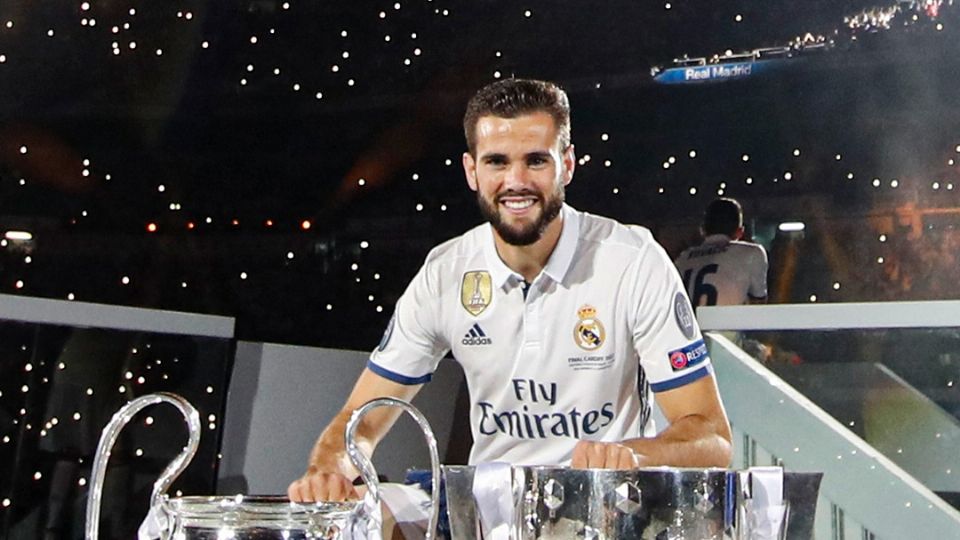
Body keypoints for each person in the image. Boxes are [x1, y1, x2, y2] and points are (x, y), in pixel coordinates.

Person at [289, 78, 732, 503]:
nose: (516, 181)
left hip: (603, 509)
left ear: (568, 165)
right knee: (367, 512)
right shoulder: (446, 273)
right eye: (497, 161)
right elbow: (359, 423)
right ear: (471, 170)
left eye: (536, 161)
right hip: (488, 512)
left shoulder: (631, 260)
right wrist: (327, 470)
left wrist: (633, 455)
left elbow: (711, 436)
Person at [674, 197, 768, 308]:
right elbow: (758, 304)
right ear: (740, 232)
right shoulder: (752, 254)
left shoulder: (682, 259)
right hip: (727, 324)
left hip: (689, 324)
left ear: (702, 230)